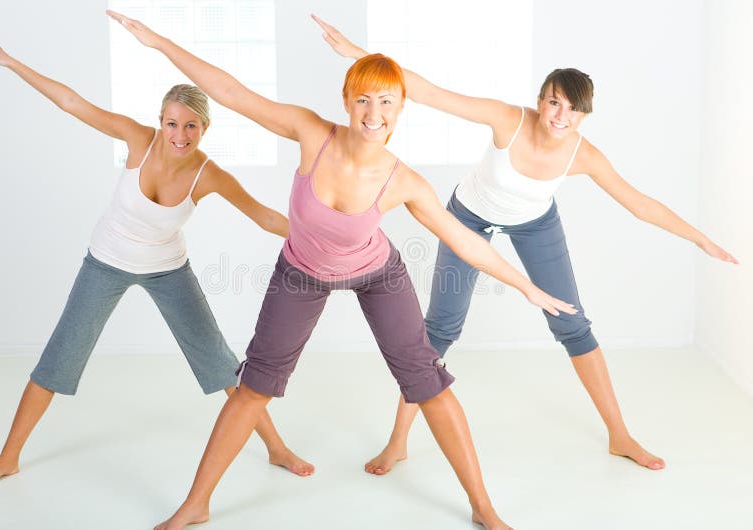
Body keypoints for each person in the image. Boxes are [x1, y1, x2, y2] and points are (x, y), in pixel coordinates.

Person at [107, 10, 580, 530]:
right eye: (362, 100)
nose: (373, 113)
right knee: (255, 385)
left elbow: (464, 239)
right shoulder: (312, 134)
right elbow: (230, 92)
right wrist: (157, 43)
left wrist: (526, 286)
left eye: (386, 103)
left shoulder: (403, 180)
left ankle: (484, 508)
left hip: (377, 273)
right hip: (302, 271)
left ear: (400, 110)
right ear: (346, 102)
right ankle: (196, 504)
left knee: (427, 380)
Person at [311, 15, 739, 474]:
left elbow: (639, 204)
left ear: (583, 116)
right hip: (468, 219)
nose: (560, 116)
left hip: (535, 224)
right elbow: (431, 92)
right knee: (438, 331)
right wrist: (359, 54)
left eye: (572, 110)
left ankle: (620, 435)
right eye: (554, 103)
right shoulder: (508, 120)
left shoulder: (584, 155)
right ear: (541, 101)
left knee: (573, 324)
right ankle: (398, 443)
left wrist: (701, 239)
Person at [0, 35, 314, 491]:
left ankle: (276, 447)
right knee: (59, 357)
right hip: (105, 263)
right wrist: (13, 62)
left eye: (191, 127)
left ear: (205, 129)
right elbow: (73, 103)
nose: (179, 135)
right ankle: (8, 456)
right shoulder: (137, 140)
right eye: (172, 124)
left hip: (168, 270)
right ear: (160, 122)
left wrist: (328, 234)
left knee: (220, 361)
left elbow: (265, 216)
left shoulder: (208, 174)